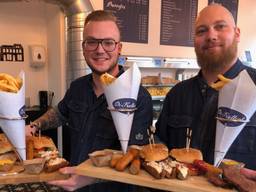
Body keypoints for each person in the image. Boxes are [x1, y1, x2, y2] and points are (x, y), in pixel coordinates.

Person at [26, 10, 153, 191]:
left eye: (108, 42)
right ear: (83, 47)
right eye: (92, 42)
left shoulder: (139, 98)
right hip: (73, 185)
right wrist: (33, 127)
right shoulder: (78, 87)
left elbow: (134, 157)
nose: (100, 50)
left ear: (119, 48)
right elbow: (61, 113)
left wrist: (89, 178)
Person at [156, 2, 256, 172]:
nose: (211, 36)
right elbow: (159, 143)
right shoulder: (177, 95)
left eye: (220, 27)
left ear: (237, 33)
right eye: (202, 31)